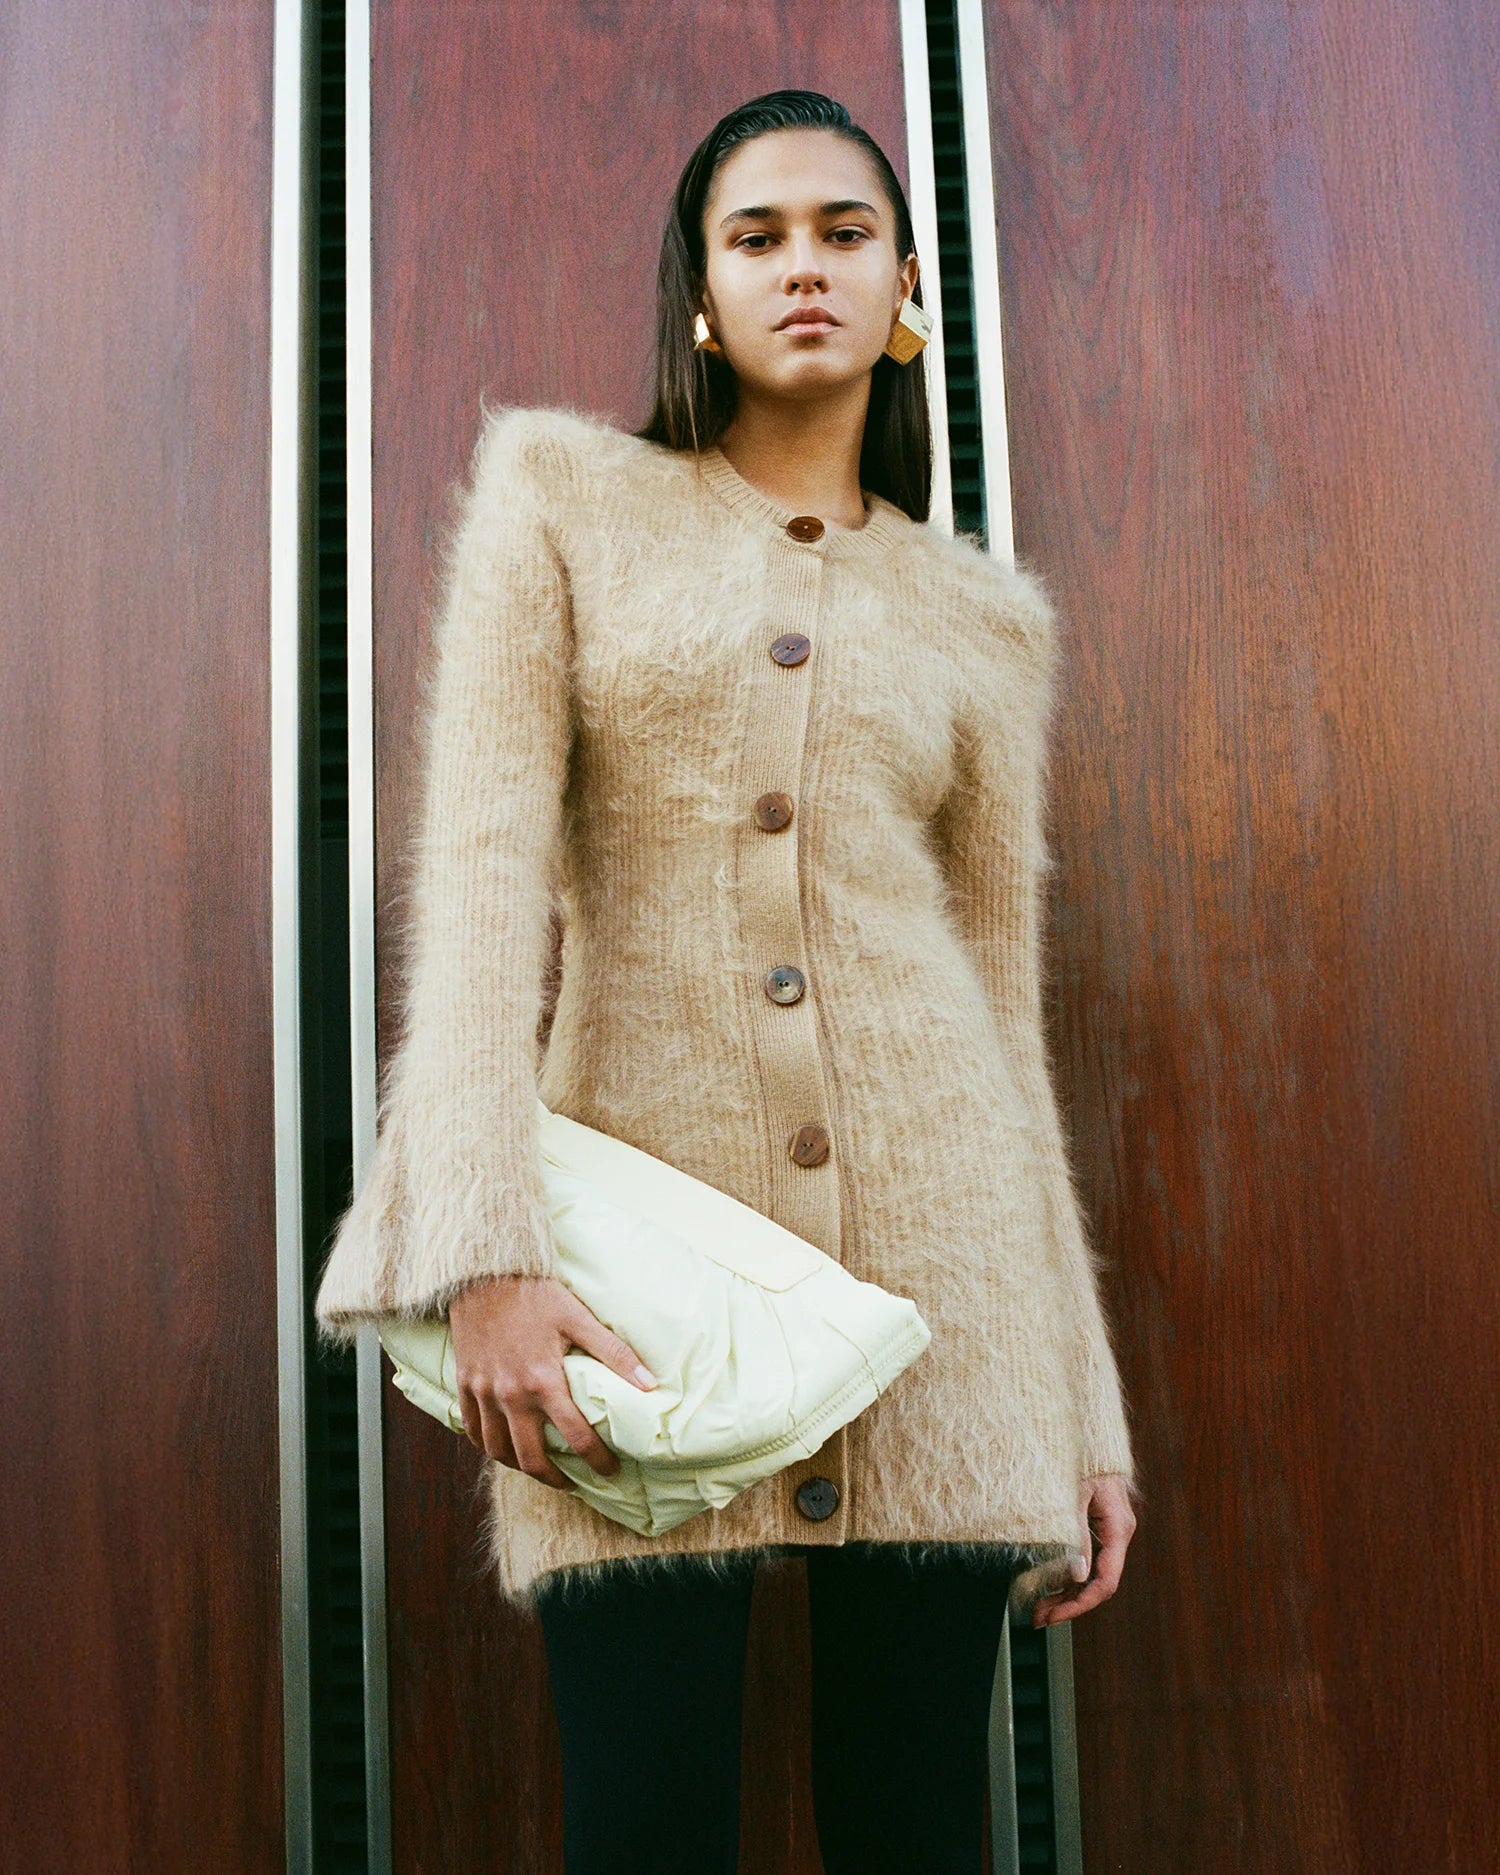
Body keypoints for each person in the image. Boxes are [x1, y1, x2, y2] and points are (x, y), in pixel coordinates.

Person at [314, 88, 1139, 1874]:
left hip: (951, 1278)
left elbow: (1003, 1009)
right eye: (755, 238)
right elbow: (475, 886)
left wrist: (1075, 1407)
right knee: (644, 1821)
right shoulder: (560, 500)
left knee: (922, 1822)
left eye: (844, 234)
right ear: (699, 295)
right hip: (634, 1289)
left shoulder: (985, 620)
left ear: (907, 285)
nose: (803, 270)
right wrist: (481, 1253)